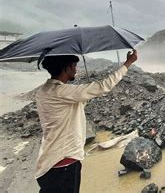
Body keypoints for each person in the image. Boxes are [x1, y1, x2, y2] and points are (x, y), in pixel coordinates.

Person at [35, 50, 138, 193]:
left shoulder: (43, 91)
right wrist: (128, 63)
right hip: (64, 164)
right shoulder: (63, 92)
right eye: (74, 66)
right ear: (66, 68)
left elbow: (69, 108)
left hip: (47, 164)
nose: (76, 69)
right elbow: (104, 86)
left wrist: (86, 96)